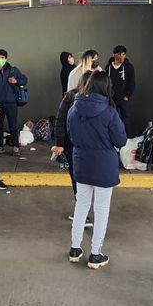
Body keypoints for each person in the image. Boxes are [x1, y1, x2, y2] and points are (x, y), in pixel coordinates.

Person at [67, 71, 127, 269]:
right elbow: (121, 140)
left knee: (81, 206)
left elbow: (70, 134)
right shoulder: (109, 111)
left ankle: (75, 249)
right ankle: (95, 254)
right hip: (103, 166)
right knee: (101, 211)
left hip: (81, 163)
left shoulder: (74, 108)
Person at [53, 70, 93, 227]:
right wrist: (60, 143)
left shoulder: (73, 97)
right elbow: (60, 120)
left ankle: (82, 211)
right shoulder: (71, 97)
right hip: (77, 146)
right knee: (79, 177)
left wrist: (60, 144)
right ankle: (82, 210)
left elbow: (60, 120)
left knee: (79, 177)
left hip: (79, 146)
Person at [0, 49, 27, 157]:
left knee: (13, 126)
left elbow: (24, 80)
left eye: (2, 57)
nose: (0, 59)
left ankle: (16, 147)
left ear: (6, 59)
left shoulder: (13, 70)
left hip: (11, 103)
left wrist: (16, 81)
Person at [106, 45, 136, 137]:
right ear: (114, 54)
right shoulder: (108, 67)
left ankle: (128, 139)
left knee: (126, 119)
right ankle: (113, 138)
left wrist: (127, 96)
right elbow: (105, 82)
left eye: (123, 54)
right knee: (111, 119)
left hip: (124, 98)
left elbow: (132, 83)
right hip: (111, 98)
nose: (122, 56)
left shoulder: (129, 67)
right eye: (119, 54)